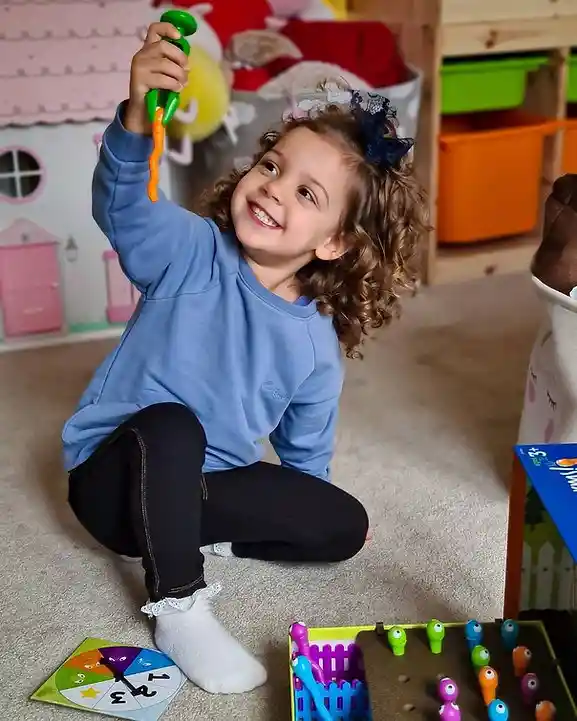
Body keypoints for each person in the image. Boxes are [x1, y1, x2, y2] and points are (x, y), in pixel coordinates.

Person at [62, 20, 428, 696]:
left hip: (197, 497)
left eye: (305, 194)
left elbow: (303, 466)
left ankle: (190, 534)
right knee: (172, 423)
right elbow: (120, 201)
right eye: (271, 167)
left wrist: (299, 510)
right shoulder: (188, 248)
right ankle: (178, 602)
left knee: (342, 521)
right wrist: (140, 117)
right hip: (109, 485)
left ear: (335, 244)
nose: (272, 188)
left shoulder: (315, 346)